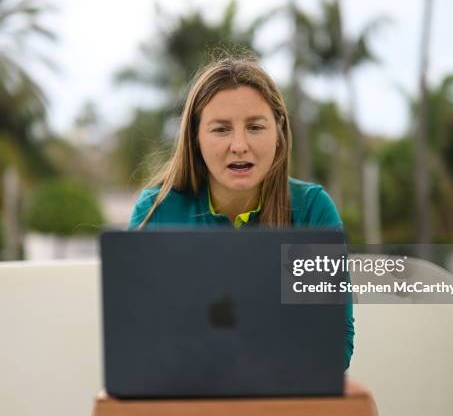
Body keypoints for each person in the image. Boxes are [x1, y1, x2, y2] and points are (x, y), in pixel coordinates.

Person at [128, 56, 355, 369]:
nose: (239, 144)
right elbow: (140, 335)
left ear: (278, 132)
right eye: (221, 129)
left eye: (255, 127)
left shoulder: (312, 209)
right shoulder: (157, 209)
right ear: (196, 138)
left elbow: (334, 343)